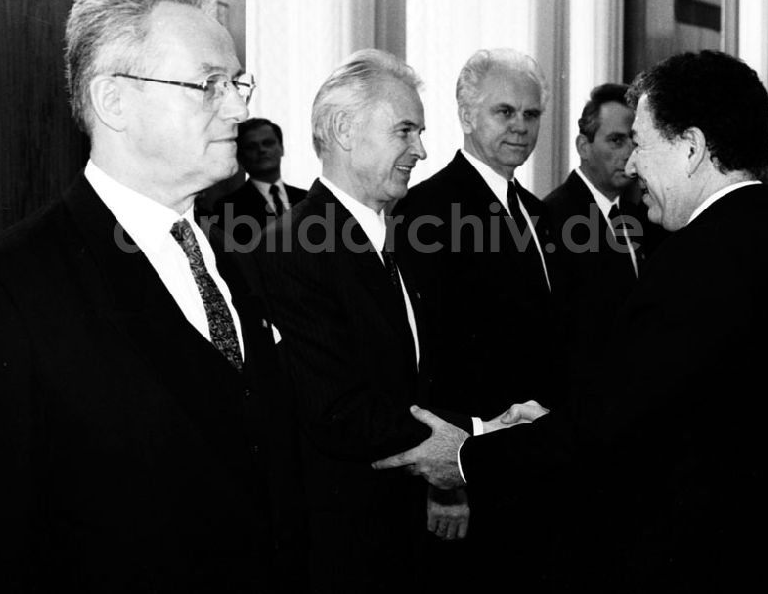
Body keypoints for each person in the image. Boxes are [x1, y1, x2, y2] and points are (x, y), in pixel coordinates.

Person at [0, 0, 303, 591]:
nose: (239, 108)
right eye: (209, 85)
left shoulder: (239, 259)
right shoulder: (0, 292)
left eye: (237, 84)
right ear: (114, 100)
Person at [376, 50, 768, 593]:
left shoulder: (698, 264)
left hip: (690, 556)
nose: (631, 165)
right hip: (741, 545)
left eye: (642, 144)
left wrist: (469, 457)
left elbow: (621, 426)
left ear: (691, 148)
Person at [251, 49, 469, 593]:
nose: (420, 150)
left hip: (402, 529)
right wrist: (479, 438)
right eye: (405, 131)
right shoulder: (292, 248)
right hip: (344, 545)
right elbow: (340, 412)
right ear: (346, 130)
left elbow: (416, 379)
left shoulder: (400, 240)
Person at [392, 48, 561, 586]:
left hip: (533, 459)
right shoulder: (425, 210)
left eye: (531, 115)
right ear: (466, 115)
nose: (520, 127)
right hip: (469, 469)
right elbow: (430, 356)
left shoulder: (538, 214)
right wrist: (449, 485)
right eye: (504, 112)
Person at [542, 82, 661, 377]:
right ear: (584, 146)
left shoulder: (637, 215)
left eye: (634, 143)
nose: (630, 156)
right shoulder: (552, 217)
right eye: (616, 141)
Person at [211, 117, 306, 248]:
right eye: (251, 147)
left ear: (282, 148)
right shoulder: (228, 208)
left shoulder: (306, 198)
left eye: (268, 143)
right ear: (240, 156)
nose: (262, 150)